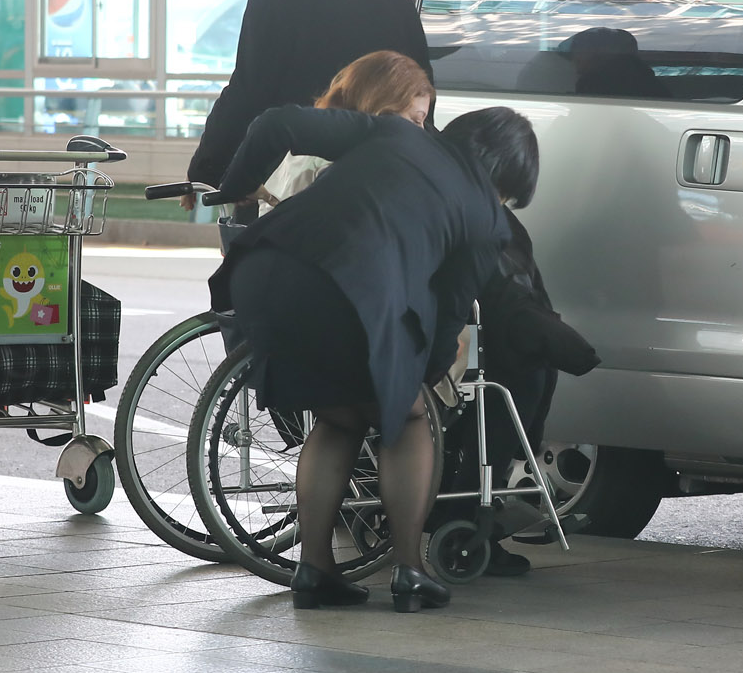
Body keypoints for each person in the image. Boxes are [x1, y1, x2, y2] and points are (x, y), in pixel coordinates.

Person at [209, 103, 526, 612]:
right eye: (508, 193)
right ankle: (409, 571)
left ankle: (315, 570)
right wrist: (422, 375)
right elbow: (449, 314)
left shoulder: (391, 132)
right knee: (409, 419)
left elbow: (273, 123)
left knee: (339, 418)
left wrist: (235, 187)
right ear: (501, 176)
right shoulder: (485, 216)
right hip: (344, 291)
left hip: (263, 271)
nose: (503, 203)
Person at [184, 0, 432, 207]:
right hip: (384, 171)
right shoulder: (395, 1)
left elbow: (247, 94)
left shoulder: (272, 0)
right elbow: (420, 85)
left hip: (290, 180)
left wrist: (207, 170)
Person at [441, 108, 600, 577]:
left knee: (522, 374)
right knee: (521, 382)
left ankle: (472, 511)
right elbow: (510, 298)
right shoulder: (484, 221)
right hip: (489, 344)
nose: (504, 200)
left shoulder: (466, 210)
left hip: (487, 338)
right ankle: (470, 515)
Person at [255, 50, 434, 210]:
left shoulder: (317, 141)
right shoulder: (340, 164)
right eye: (416, 120)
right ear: (383, 112)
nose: (421, 132)